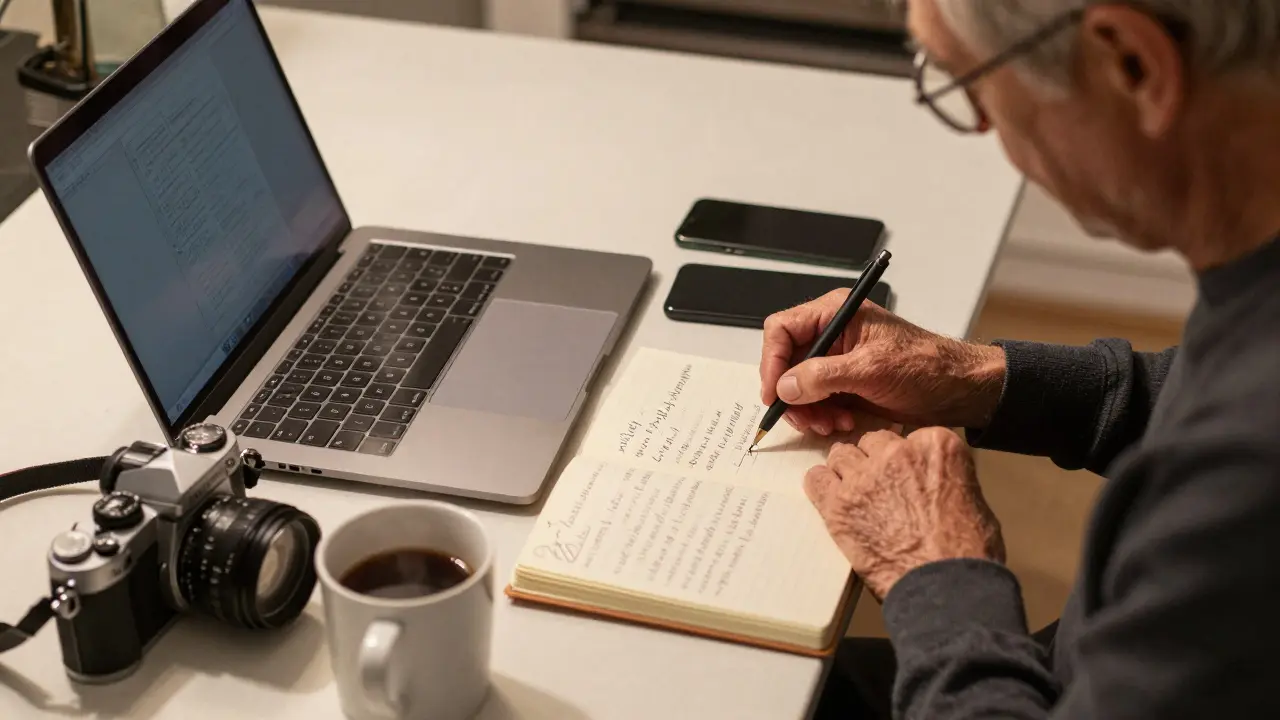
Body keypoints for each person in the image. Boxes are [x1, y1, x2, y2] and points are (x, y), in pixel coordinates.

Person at [758, 1, 1280, 718]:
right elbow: (1203, 392)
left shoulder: (1247, 480)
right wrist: (977, 380)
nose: (984, 126)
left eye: (973, 82)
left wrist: (937, 571)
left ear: (1131, 65)